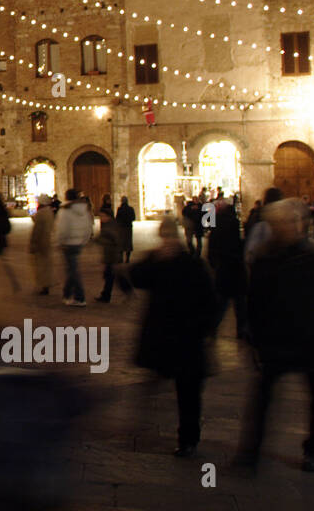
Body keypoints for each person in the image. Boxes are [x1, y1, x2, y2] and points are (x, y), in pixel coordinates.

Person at [238, 200, 314, 472]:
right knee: (262, 399)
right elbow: (255, 303)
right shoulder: (265, 260)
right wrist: (253, 338)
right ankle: (252, 451)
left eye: (287, 223)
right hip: (276, 343)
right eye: (277, 224)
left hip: (313, 342)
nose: (282, 228)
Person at [129, 217, 219, 457]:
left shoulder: (193, 265)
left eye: (170, 237)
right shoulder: (158, 262)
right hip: (165, 337)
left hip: (187, 338)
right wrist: (151, 258)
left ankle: (188, 439)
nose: (167, 242)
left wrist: (206, 330)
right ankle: (151, 425)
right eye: (164, 237)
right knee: (173, 386)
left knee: (188, 392)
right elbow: (134, 279)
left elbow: (210, 301)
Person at [205, 195, 247, 337]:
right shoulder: (233, 223)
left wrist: (213, 263)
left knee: (222, 302)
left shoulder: (217, 226)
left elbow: (212, 248)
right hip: (236, 268)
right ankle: (241, 330)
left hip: (223, 268)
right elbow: (239, 245)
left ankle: (212, 327)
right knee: (239, 303)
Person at [55, 189, 93, 305]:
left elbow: (62, 229)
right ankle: (66, 294)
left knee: (73, 270)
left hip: (68, 244)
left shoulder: (65, 211)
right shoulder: (84, 209)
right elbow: (89, 227)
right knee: (72, 268)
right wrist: (84, 240)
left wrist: (59, 242)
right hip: (79, 243)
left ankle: (80, 297)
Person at [93, 209, 124, 302]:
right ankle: (106, 295)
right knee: (110, 275)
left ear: (108, 216)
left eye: (102, 216)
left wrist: (100, 240)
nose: (101, 218)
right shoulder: (110, 225)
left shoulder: (111, 227)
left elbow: (115, 241)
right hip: (110, 255)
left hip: (112, 256)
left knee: (110, 276)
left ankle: (106, 295)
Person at [29, 194, 56, 296]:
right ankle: (47, 283)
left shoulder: (41, 214)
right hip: (47, 241)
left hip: (41, 242)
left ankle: (44, 285)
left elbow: (37, 231)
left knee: (41, 265)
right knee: (47, 264)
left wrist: (33, 243)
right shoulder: (49, 212)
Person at [115, 197, 136, 262]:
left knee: (121, 243)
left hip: (121, 228)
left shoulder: (120, 209)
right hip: (128, 228)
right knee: (128, 243)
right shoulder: (131, 209)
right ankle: (127, 259)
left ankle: (120, 258)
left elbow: (117, 219)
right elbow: (133, 218)